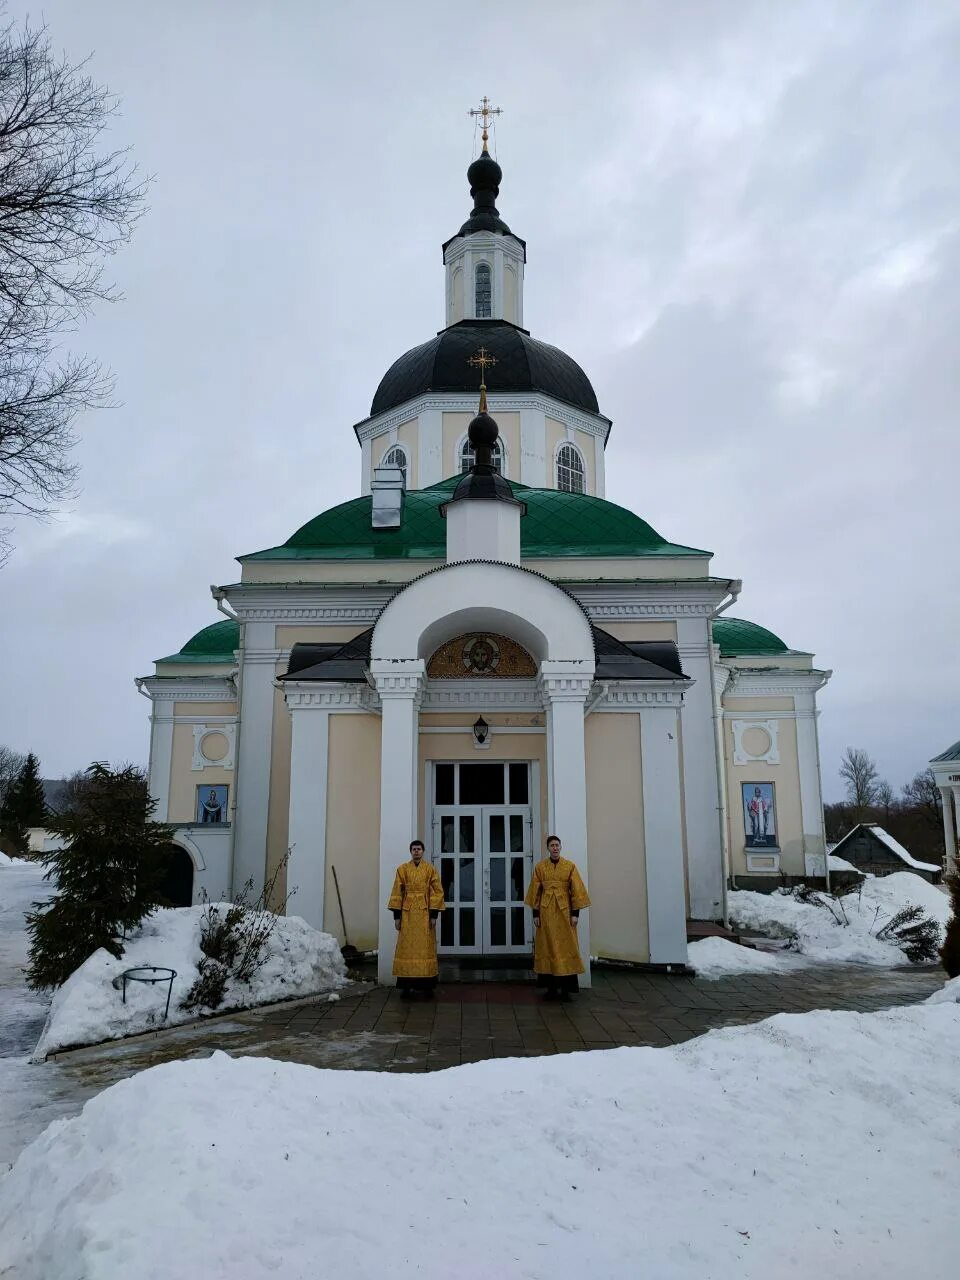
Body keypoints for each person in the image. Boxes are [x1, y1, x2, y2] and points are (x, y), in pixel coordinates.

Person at [524, 835, 590, 1000]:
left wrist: (575, 914)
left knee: (566, 948)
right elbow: (535, 892)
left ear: (560, 847)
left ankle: (566, 990)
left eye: (557, 845)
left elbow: (577, 891)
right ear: (548, 848)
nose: (555, 848)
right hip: (546, 914)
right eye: (552, 845)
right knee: (548, 947)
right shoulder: (540, 867)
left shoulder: (570, 866)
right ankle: (551, 989)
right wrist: (535, 914)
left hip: (564, 913)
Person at [387, 840, 445, 998]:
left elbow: (437, 892)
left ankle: (427, 987)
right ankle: (406, 987)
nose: (416, 851)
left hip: (425, 914)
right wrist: (396, 917)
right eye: (414, 849)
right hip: (407, 914)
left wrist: (434, 915)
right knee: (407, 949)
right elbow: (396, 893)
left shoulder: (430, 870)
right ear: (410, 851)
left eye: (419, 849)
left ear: (423, 851)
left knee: (425, 948)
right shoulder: (402, 869)